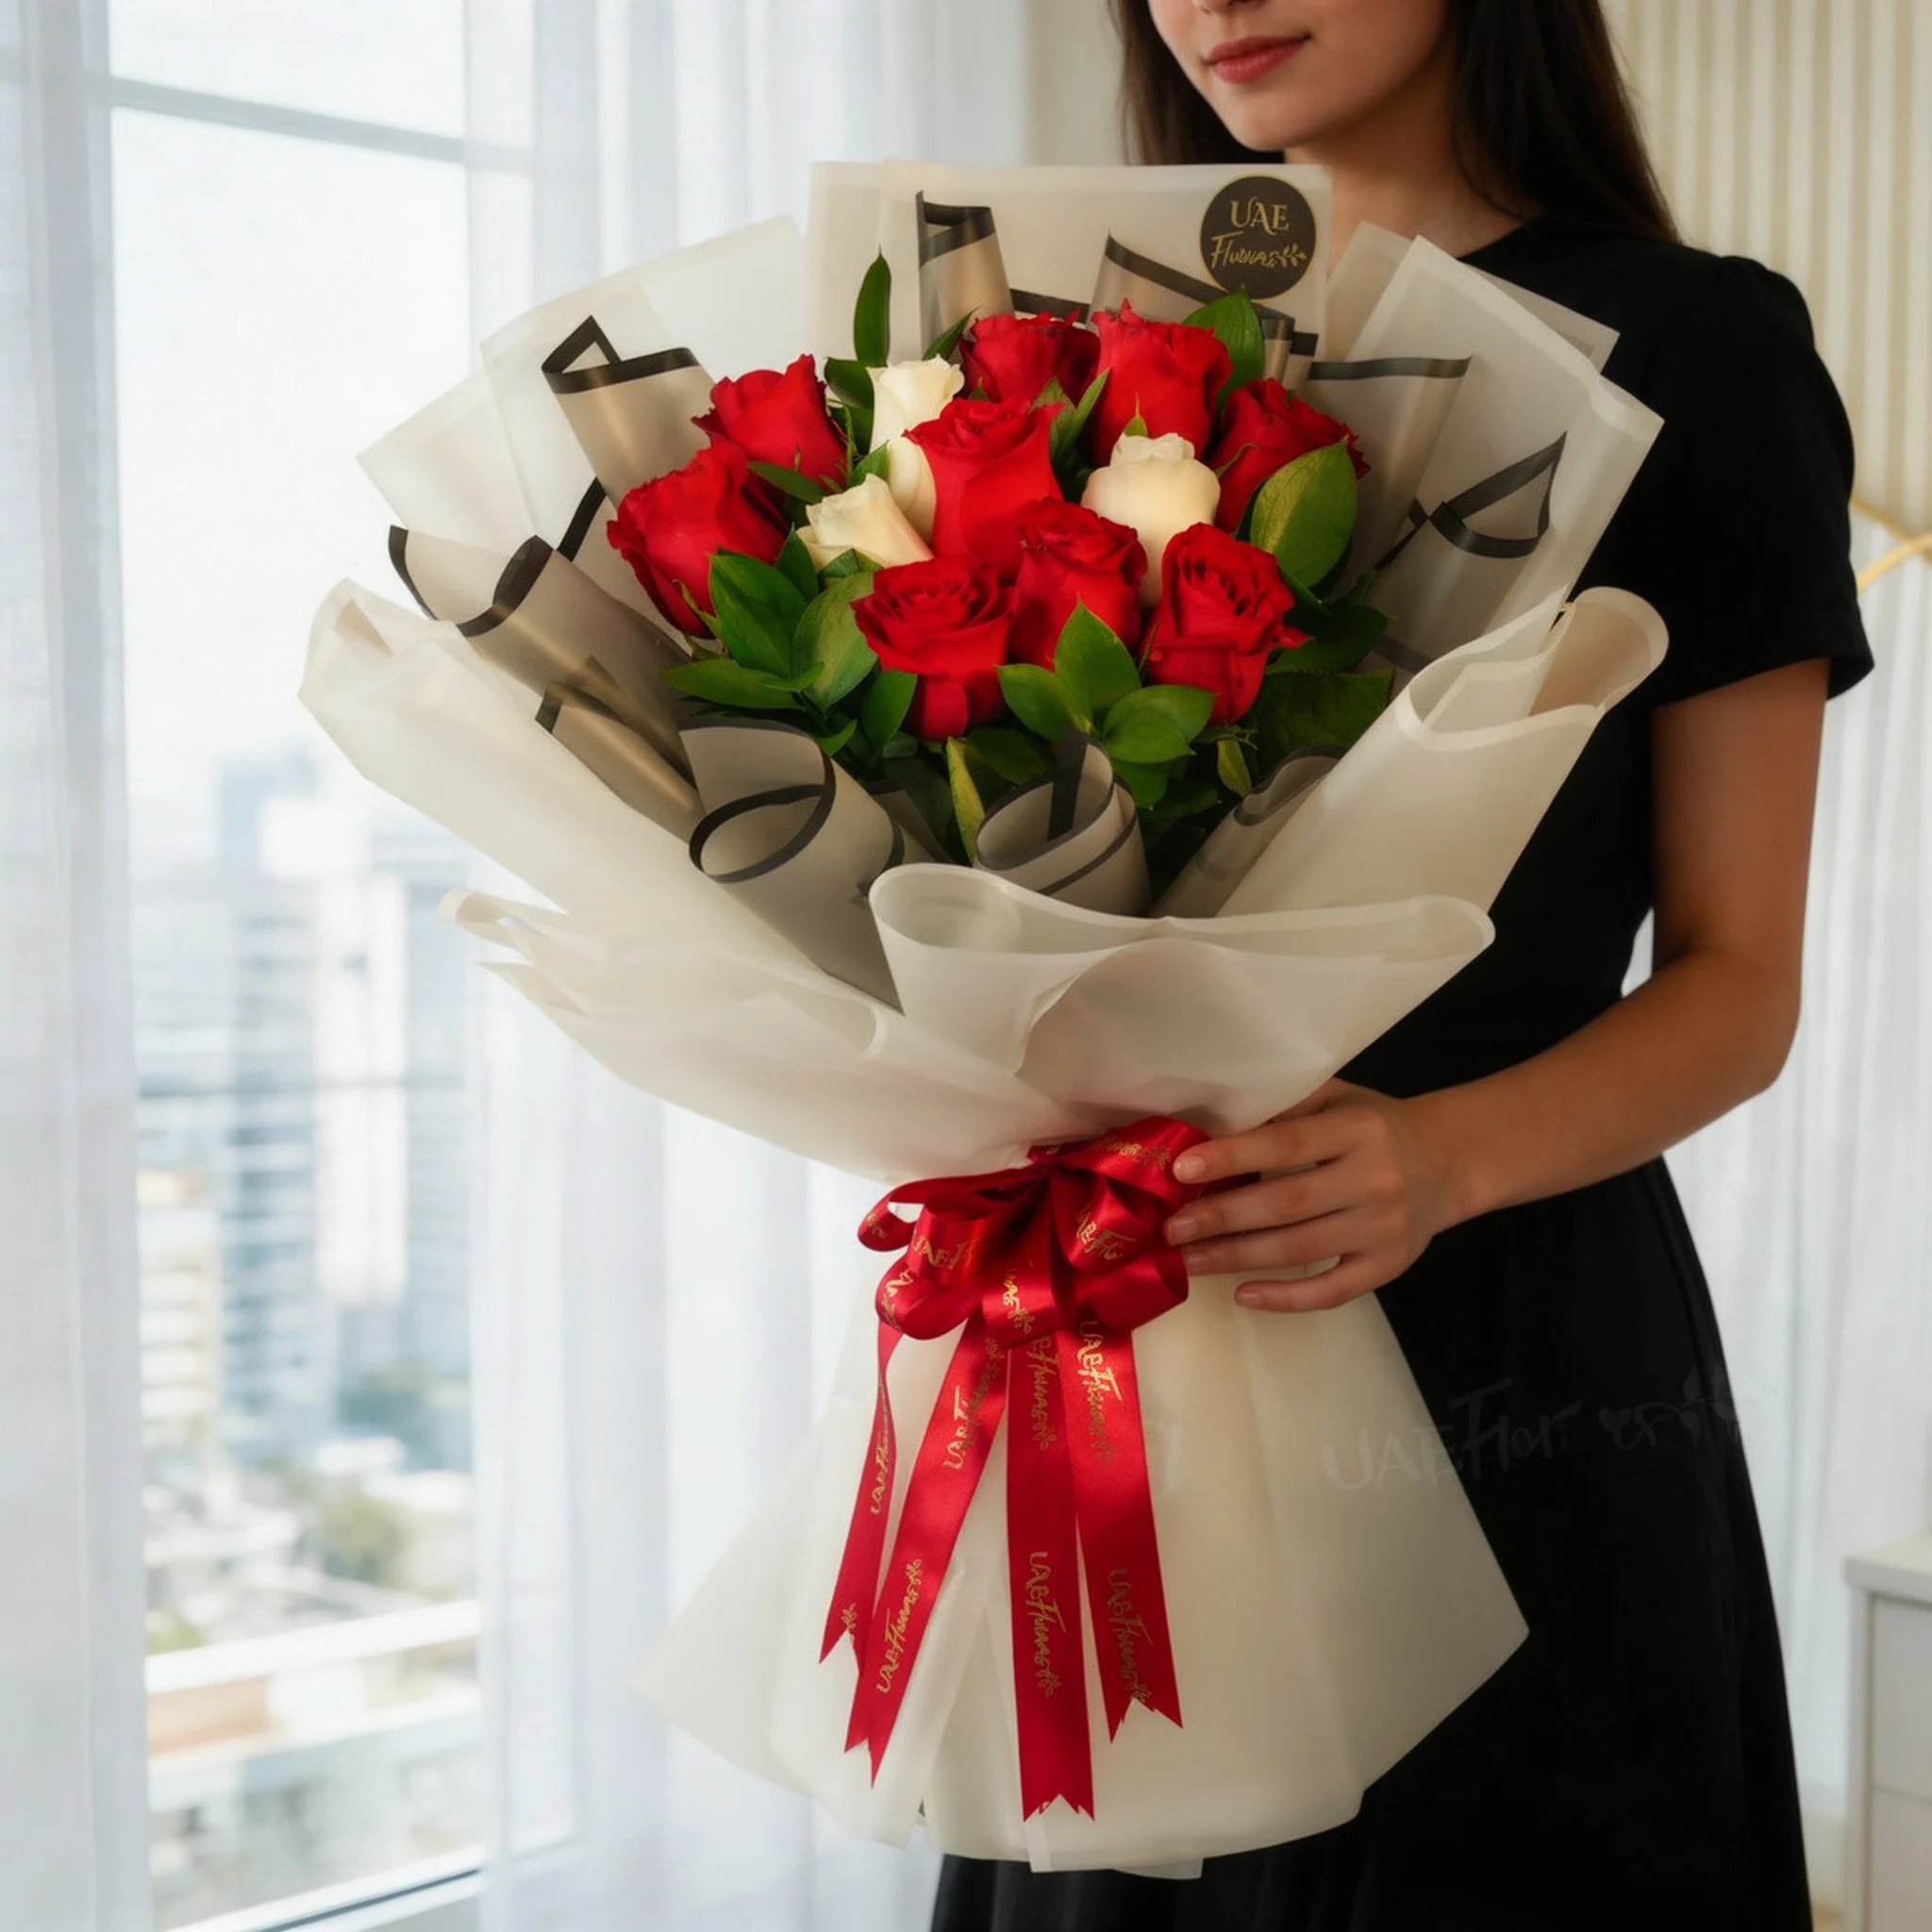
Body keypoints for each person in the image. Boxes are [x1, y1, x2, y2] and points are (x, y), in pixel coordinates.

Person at [931, 2, 1874, 1928]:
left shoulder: (1693, 346)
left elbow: (1737, 983)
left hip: (1505, 1333)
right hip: (1124, 1323)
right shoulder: (1082, 357)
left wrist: (1434, 1160)